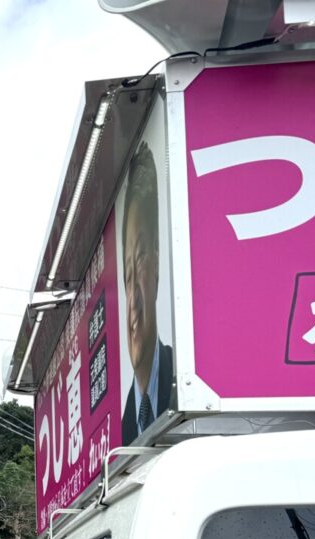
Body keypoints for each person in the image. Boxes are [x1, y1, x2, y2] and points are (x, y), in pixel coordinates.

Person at [121, 139, 174, 445]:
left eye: (139, 263)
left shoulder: (186, 387)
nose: (133, 301)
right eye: (127, 277)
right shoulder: (125, 427)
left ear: (156, 266)